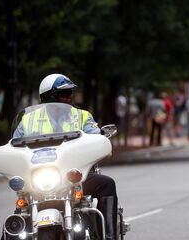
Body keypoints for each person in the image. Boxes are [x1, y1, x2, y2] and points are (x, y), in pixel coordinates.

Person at [12, 74, 119, 240]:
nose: (70, 97)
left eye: (70, 93)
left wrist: (103, 144)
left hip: (77, 177)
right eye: (65, 94)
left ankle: (109, 236)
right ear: (50, 97)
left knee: (107, 184)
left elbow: (96, 137)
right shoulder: (28, 120)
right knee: (17, 218)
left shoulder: (82, 116)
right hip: (38, 178)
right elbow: (14, 145)